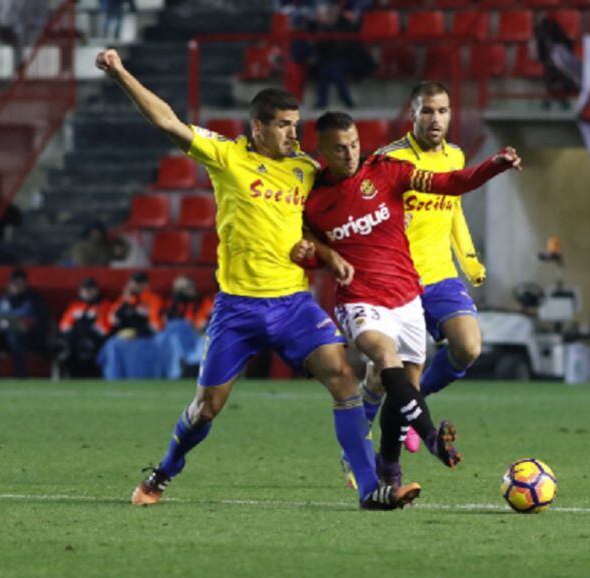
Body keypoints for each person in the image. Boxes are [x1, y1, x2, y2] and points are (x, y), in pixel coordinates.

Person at [95, 48, 420, 510]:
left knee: (344, 379)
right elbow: (168, 121)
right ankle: (164, 470)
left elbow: (323, 220)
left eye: (296, 124)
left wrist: (323, 252)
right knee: (207, 407)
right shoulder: (227, 156)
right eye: (284, 125)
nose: (294, 133)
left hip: (293, 305)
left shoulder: (306, 170)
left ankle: (370, 490)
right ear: (258, 127)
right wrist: (121, 73)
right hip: (239, 308)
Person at [296, 111, 521, 488]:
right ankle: (431, 436)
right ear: (321, 150)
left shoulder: (387, 171)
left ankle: (389, 465)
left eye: (354, 145)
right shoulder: (313, 198)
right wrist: (323, 254)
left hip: (406, 298)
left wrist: (492, 166)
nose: (350, 155)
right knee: (386, 360)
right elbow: (305, 245)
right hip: (359, 300)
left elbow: (450, 182)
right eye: (339, 149)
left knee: (404, 388)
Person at [356, 82, 495, 466]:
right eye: (428, 111)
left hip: (439, 275)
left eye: (443, 111)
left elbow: (454, 211)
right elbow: (363, 211)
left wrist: (470, 261)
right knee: (379, 377)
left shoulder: (455, 155)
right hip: (396, 280)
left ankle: (417, 403)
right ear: (413, 114)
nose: (436, 119)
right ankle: (357, 444)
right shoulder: (388, 160)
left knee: (468, 347)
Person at [0, 269, 50, 378]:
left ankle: (20, 374)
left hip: (27, 337)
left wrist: (23, 324)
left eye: (19, 283)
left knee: (15, 337)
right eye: (14, 283)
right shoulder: (3, 299)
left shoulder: (33, 299)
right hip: (3, 335)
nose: (16, 286)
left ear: (25, 284)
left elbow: (38, 320)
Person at [97, 271, 165, 379]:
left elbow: (155, 325)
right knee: (112, 345)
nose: (136, 285)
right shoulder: (125, 299)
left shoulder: (153, 299)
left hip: (145, 337)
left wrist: (137, 333)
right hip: (123, 337)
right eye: (135, 282)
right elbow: (113, 320)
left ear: (146, 284)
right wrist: (126, 301)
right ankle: (113, 380)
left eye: (140, 283)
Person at [155, 275, 214, 379]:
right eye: (180, 289)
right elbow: (161, 322)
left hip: (195, 336)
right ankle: (175, 372)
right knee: (169, 339)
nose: (183, 291)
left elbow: (200, 322)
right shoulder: (170, 303)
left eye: (187, 288)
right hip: (173, 336)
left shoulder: (201, 302)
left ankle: (191, 368)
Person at [56, 276, 111, 378]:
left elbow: (104, 329)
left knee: (86, 346)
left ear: (96, 290)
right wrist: (72, 334)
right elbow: (64, 325)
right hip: (75, 340)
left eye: (91, 289)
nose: (88, 292)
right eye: (85, 290)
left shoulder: (103, 305)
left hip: (94, 340)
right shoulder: (75, 305)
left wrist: (88, 333)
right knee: (65, 345)